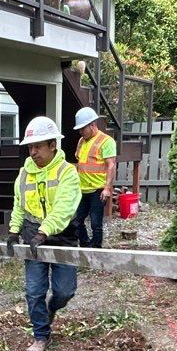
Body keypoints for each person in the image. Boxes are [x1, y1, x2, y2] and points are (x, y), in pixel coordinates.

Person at [5, 115, 81, 351]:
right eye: (30, 147)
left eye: (38, 146)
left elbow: (64, 208)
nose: (33, 151)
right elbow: (19, 205)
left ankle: (52, 308)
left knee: (64, 291)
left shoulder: (67, 172)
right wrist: (14, 230)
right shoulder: (24, 174)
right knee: (34, 290)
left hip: (62, 235)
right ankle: (40, 335)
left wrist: (45, 231)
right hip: (32, 233)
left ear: (52, 145)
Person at [72, 106, 117, 249]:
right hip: (82, 189)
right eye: (79, 129)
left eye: (82, 128)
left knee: (96, 223)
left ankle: (96, 248)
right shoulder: (81, 141)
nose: (80, 132)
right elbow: (80, 163)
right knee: (77, 220)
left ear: (92, 125)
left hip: (98, 190)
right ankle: (85, 246)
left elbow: (111, 165)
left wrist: (107, 189)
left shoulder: (106, 141)